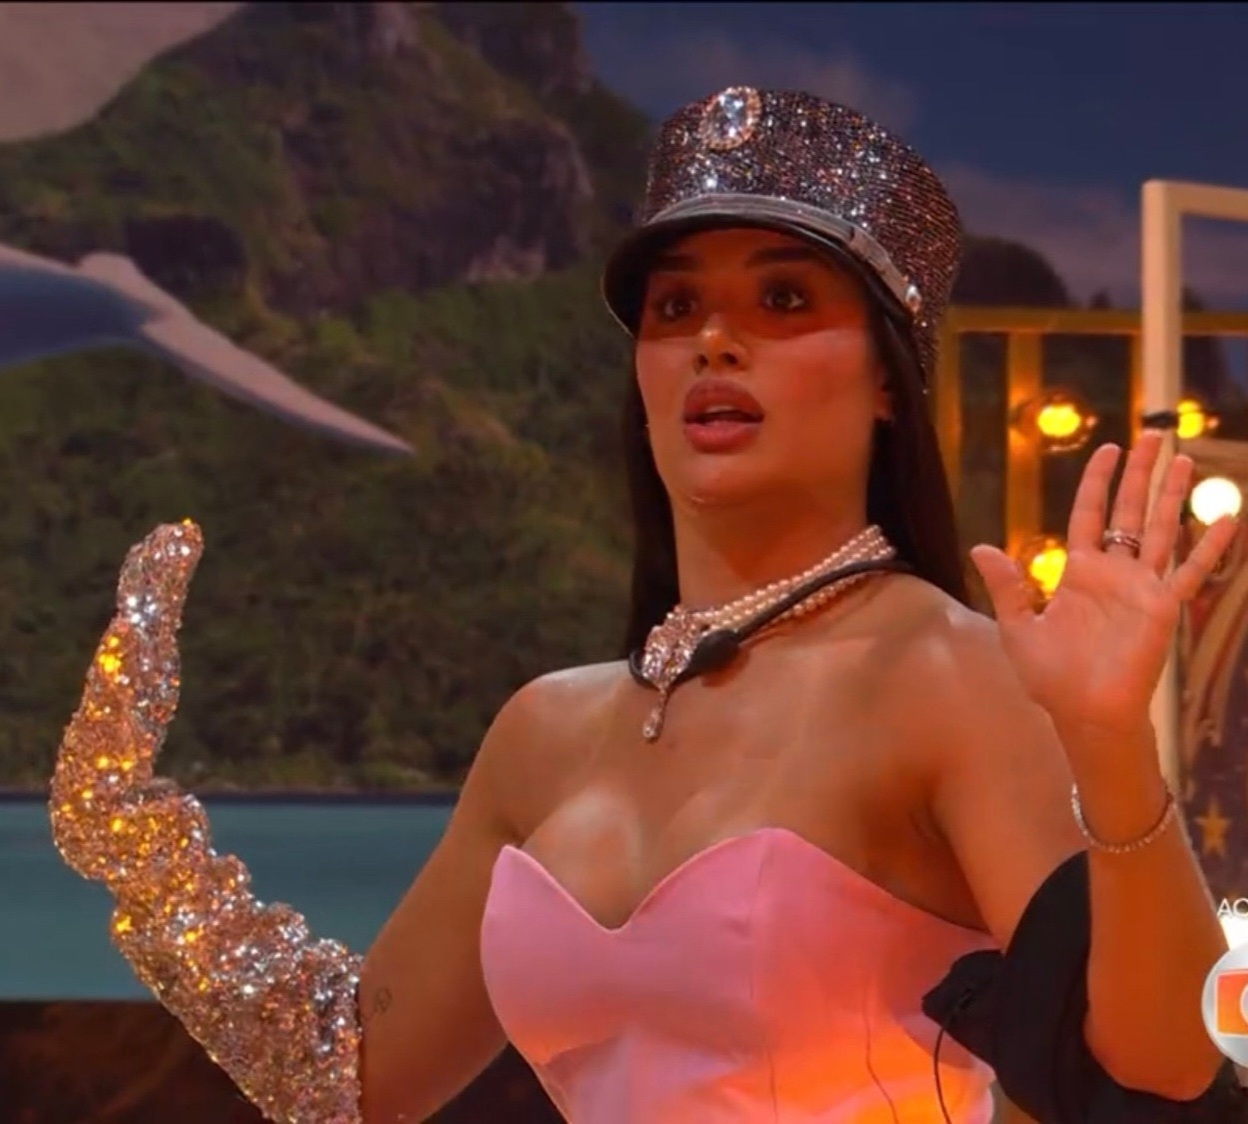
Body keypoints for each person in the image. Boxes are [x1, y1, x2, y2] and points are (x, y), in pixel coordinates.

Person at [49, 87, 1247, 1124]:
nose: (715, 340)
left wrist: (1110, 749)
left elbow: (1170, 1069)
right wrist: (133, 842)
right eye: (676, 309)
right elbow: (354, 1076)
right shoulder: (545, 730)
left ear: (889, 376)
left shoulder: (944, 672)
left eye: (784, 301)